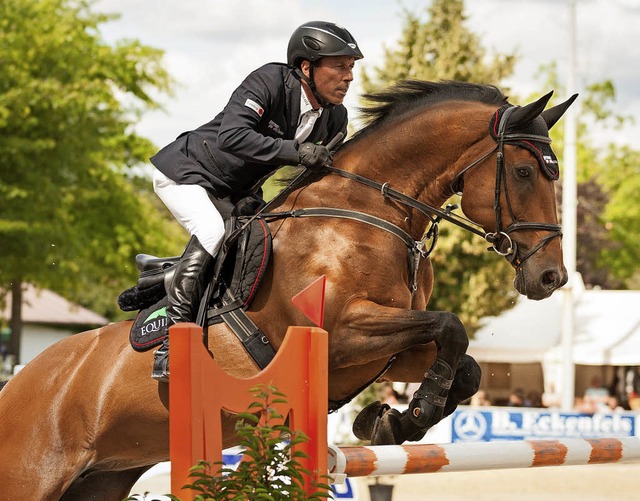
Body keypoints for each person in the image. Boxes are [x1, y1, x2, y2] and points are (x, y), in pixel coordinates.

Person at [148, 21, 364, 381]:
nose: (349, 77)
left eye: (352, 68)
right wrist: (295, 150)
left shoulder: (334, 118)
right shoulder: (268, 82)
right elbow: (233, 136)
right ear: (307, 67)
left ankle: (186, 285)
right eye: (340, 66)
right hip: (188, 174)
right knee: (212, 230)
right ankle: (173, 344)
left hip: (238, 193)